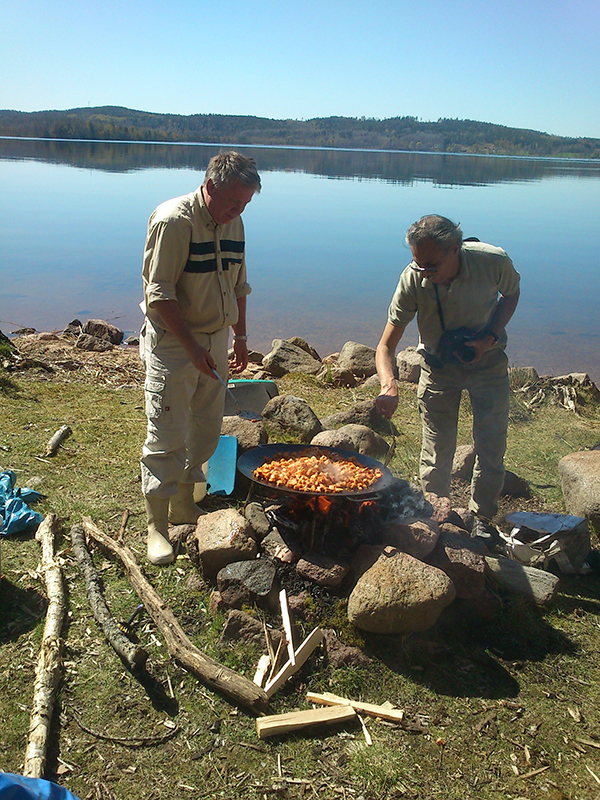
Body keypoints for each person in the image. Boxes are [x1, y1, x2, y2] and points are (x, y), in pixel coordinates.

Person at [140, 151, 261, 565]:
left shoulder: (236, 220)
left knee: (206, 428)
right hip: (176, 343)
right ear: (209, 186)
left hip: (216, 338)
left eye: (245, 204)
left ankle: (183, 506)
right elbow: (159, 294)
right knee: (166, 434)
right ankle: (156, 525)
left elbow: (240, 284)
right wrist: (192, 349)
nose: (237, 211)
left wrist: (239, 336)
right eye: (232, 202)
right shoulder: (173, 221)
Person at [375, 214, 520, 544]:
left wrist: (489, 337)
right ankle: (434, 512)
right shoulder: (413, 278)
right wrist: (389, 385)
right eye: (418, 264)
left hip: (489, 363)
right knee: (437, 448)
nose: (424, 273)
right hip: (439, 367)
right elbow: (385, 346)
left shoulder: (492, 261)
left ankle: (482, 516)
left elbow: (511, 294)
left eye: (431, 266)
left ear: (456, 249)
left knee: (491, 443)